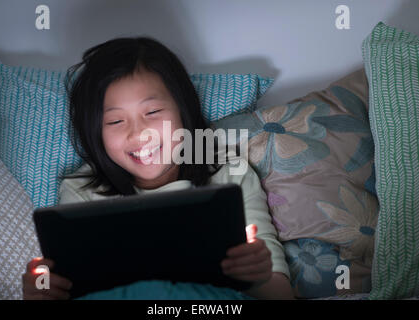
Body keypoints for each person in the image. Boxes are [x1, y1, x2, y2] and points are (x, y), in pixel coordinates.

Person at [22, 37, 293, 300]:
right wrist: (44, 292)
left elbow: (281, 294)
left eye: (152, 113)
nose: (139, 133)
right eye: (115, 121)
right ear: (95, 132)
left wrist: (257, 276)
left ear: (183, 110)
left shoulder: (229, 174)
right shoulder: (80, 191)